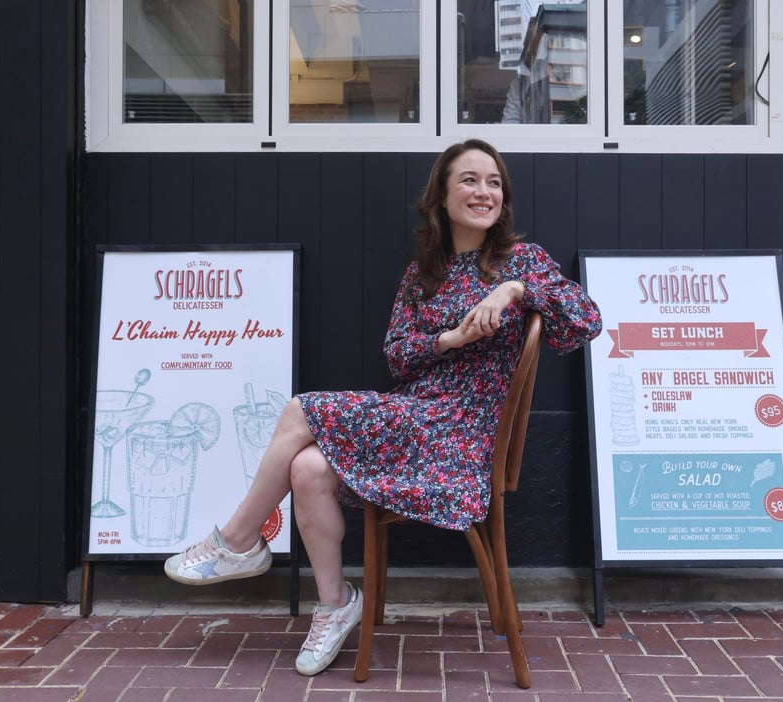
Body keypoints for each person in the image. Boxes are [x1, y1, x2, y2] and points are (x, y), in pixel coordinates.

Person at [163, 138, 602, 676]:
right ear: (442, 196)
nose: (483, 191)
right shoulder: (424, 274)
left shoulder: (521, 262)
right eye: (468, 179)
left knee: (301, 409)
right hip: (415, 416)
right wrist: (449, 340)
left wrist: (511, 290)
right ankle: (334, 605)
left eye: (493, 182)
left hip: (463, 438)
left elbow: (586, 319)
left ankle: (237, 540)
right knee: (305, 466)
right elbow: (397, 358)